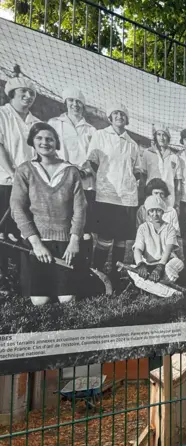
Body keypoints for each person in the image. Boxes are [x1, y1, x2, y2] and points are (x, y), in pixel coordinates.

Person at [10, 123, 86, 305]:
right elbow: (17, 208)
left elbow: (80, 208)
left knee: (67, 299)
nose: (45, 142)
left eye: (50, 139)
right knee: (39, 302)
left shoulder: (71, 171)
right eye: (40, 138)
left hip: (64, 244)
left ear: (56, 143)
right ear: (32, 142)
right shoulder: (25, 170)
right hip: (37, 243)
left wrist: (74, 241)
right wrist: (35, 243)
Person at [81, 103, 140, 281]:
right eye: (115, 114)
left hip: (127, 196)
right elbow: (91, 162)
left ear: (126, 119)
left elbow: (137, 169)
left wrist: (134, 183)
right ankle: (97, 272)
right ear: (110, 117)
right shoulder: (100, 135)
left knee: (122, 239)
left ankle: (114, 274)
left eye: (122, 114)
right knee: (105, 237)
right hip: (106, 194)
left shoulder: (133, 144)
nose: (119, 117)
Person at [48, 87, 96, 264]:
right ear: (65, 102)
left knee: (84, 229)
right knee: (62, 223)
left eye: (79, 102)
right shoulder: (54, 123)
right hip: (61, 182)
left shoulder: (91, 130)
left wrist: (84, 171)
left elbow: (94, 158)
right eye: (71, 101)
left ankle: (83, 266)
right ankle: (60, 263)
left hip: (85, 184)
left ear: (83, 106)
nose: (75, 105)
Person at [0, 77, 40, 287]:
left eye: (31, 93)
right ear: (12, 94)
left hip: (28, 185)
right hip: (4, 182)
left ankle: (19, 276)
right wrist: (14, 173)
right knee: (1, 231)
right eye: (23, 92)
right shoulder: (2, 114)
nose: (28, 96)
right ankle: (1, 277)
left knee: (20, 230)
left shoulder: (35, 122)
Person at [129, 195, 184, 297]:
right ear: (148, 212)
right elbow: (137, 249)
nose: (155, 214)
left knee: (177, 263)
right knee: (131, 270)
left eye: (158, 211)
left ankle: (151, 288)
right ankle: (171, 293)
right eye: (152, 211)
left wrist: (160, 267)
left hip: (165, 264)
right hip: (148, 266)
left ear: (163, 212)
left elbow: (168, 250)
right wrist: (140, 264)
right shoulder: (143, 228)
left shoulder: (169, 228)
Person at [136, 178, 183, 260]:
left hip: (167, 249)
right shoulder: (142, 210)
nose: (159, 196)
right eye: (156, 193)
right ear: (150, 194)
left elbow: (176, 235)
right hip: (148, 250)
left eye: (162, 194)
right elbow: (140, 234)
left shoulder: (171, 211)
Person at [137, 125, 182, 208]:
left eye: (164, 135)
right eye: (159, 134)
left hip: (168, 200)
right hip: (151, 197)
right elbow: (143, 178)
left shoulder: (174, 157)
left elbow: (178, 183)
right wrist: (141, 197)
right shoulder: (147, 153)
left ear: (168, 138)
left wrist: (177, 204)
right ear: (155, 137)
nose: (161, 137)